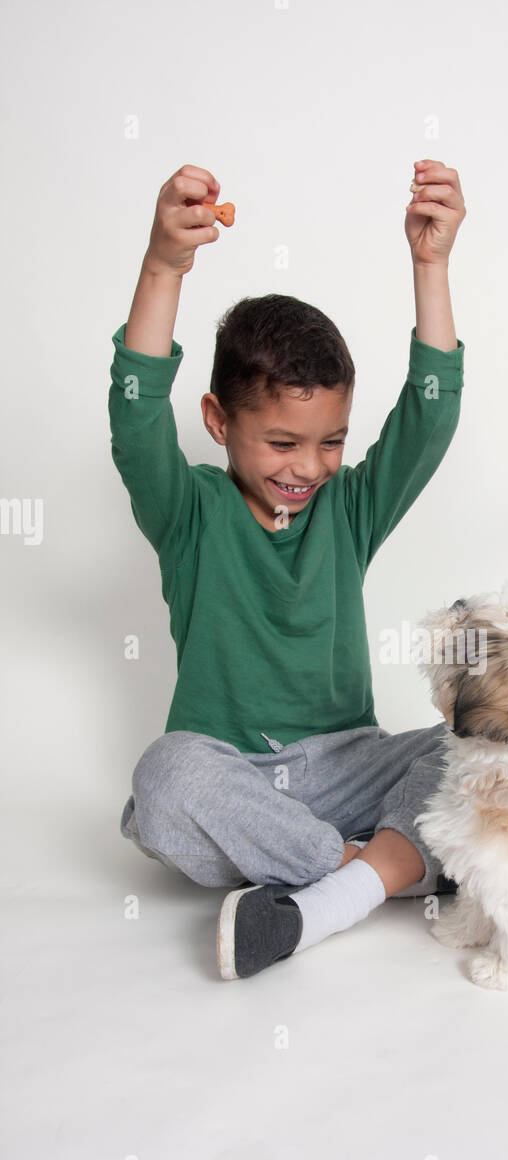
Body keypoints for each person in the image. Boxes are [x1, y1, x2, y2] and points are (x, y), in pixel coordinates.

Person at [109, 161, 466, 980]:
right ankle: (372, 871)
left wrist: (431, 266)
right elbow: (133, 415)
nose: (309, 466)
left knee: (472, 748)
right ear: (217, 420)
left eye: (331, 440)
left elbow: (431, 414)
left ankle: (329, 890)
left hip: (350, 766)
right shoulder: (189, 512)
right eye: (282, 442)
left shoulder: (350, 510)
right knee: (164, 779)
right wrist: (164, 265)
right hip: (232, 779)